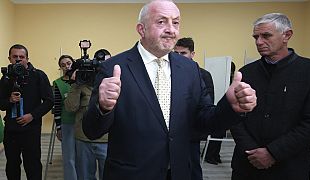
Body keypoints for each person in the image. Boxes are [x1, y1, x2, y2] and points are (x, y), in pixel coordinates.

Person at [83, 1, 257, 180]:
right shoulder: (113, 68)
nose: (171, 29)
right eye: (161, 22)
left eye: (175, 22)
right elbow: (91, 130)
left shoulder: (190, 69)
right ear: (141, 29)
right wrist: (103, 107)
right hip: (132, 173)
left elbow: (205, 120)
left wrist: (229, 107)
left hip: (181, 171)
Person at [230, 13, 310, 180]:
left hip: (289, 167)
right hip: (246, 165)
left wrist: (272, 152)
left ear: (287, 35)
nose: (259, 42)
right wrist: (251, 151)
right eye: (256, 37)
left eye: (266, 36)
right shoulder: (246, 73)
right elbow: (235, 117)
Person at [0, 44, 54, 180]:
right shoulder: (5, 78)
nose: (18, 60)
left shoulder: (38, 75)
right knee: (12, 165)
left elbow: (49, 101)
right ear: (9, 58)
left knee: (33, 164)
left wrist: (32, 116)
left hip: (31, 129)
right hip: (11, 129)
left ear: (27, 59)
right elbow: (1, 105)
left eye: (21, 57)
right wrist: (9, 101)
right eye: (15, 57)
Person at [64, 49, 111, 180]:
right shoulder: (81, 84)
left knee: (108, 175)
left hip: (107, 140)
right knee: (84, 177)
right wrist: (75, 85)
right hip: (83, 139)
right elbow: (70, 108)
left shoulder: (114, 84)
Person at [174, 37, 214, 180]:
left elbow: (207, 106)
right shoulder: (170, 71)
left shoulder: (203, 74)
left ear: (192, 54)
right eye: (175, 53)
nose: (178, 57)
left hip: (191, 133)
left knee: (192, 169)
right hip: (171, 133)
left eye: (183, 53)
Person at [204, 61, 236, 165]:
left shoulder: (231, 81)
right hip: (217, 108)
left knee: (220, 134)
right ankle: (210, 155)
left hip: (225, 109)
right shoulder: (223, 78)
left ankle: (215, 154)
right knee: (216, 133)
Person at [53, 55, 77, 180]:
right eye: (63, 65)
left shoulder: (83, 81)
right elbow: (57, 107)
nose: (67, 66)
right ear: (60, 68)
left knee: (84, 157)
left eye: (69, 63)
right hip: (67, 124)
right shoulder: (58, 83)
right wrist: (59, 127)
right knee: (69, 158)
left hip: (83, 123)